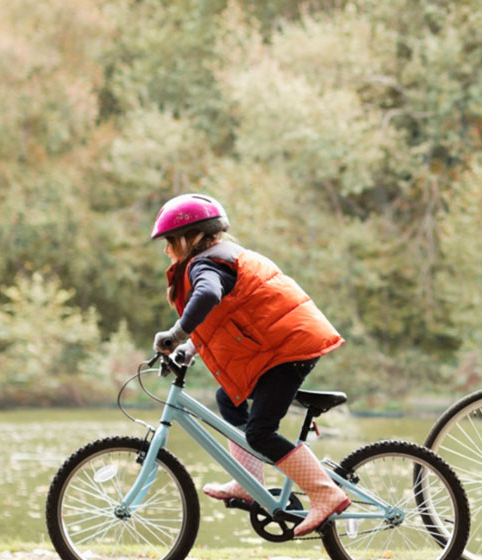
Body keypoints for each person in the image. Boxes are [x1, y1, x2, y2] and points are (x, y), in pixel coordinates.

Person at [149, 194, 349, 538]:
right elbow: (224, 314)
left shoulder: (206, 264)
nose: (168, 251)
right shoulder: (223, 257)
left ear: (189, 237)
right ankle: (248, 481)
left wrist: (175, 332)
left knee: (260, 432)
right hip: (285, 344)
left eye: (169, 242)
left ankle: (325, 493)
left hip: (288, 347)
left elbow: (208, 296)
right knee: (230, 398)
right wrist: (186, 348)